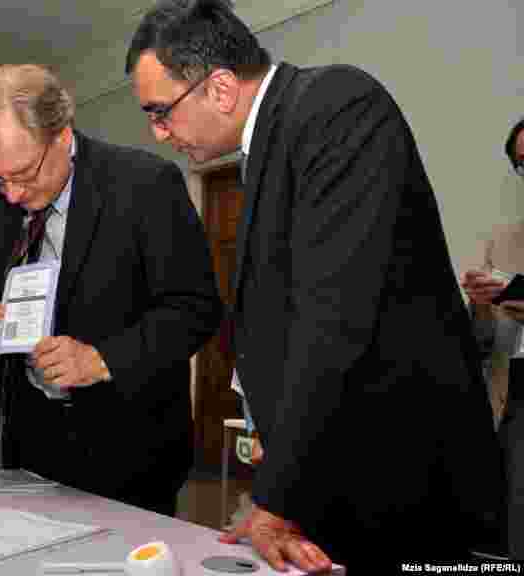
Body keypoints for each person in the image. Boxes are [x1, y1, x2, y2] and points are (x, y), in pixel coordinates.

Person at [125, 0, 505, 569]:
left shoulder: (336, 106)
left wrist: (276, 495)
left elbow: (335, 317)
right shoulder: (271, 141)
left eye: (161, 112)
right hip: (339, 476)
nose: (158, 133)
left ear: (221, 88)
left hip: (401, 482)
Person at [0, 64, 221, 516]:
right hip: (31, 453)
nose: (13, 195)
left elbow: (194, 309)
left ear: (61, 137)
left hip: (127, 456)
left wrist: (101, 359)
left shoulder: (144, 184)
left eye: (22, 174)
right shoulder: (3, 205)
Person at [461, 116, 524, 558]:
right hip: (513, 401)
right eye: (523, 163)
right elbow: (480, 346)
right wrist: (480, 307)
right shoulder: (502, 242)